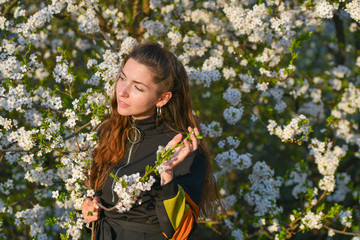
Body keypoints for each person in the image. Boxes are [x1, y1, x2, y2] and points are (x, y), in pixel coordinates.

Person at [81, 42, 218, 240]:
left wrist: (167, 173)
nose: (122, 91)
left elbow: (181, 230)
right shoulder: (108, 132)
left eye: (137, 87)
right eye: (122, 78)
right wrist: (89, 211)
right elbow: (101, 204)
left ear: (162, 98)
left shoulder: (181, 149)